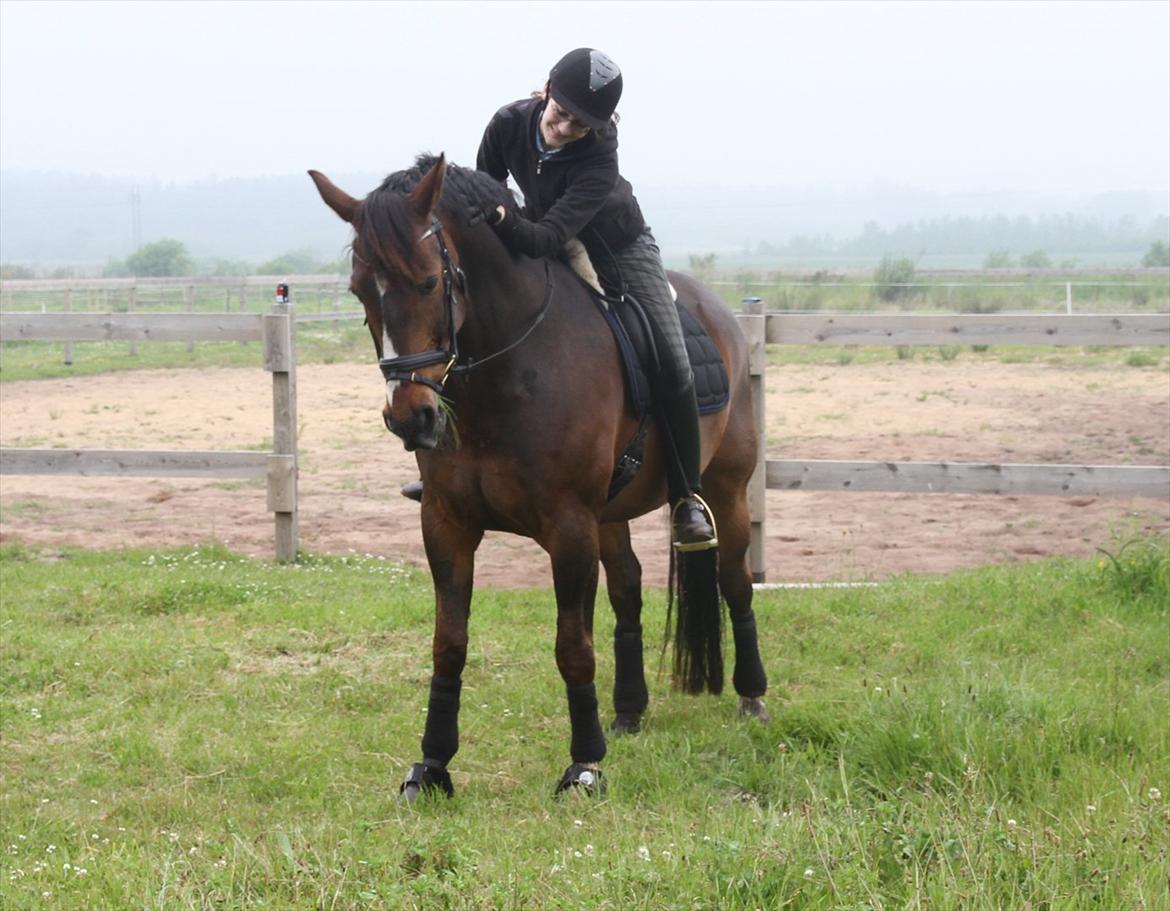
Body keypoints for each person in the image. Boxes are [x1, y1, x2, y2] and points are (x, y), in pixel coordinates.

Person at [405, 47, 714, 549]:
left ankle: (687, 499)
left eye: (580, 124)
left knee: (672, 356)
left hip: (616, 246)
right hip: (533, 226)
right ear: (544, 91)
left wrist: (506, 220)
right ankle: (449, 475)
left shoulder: (599, 157)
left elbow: (546, 237)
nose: (564, 128)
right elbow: (486, 188)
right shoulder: (507, 122)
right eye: (561, 113)